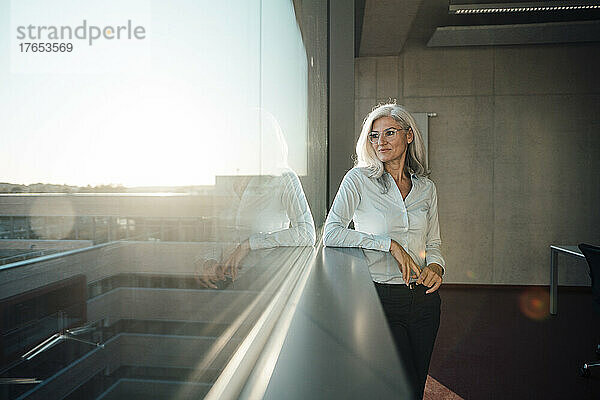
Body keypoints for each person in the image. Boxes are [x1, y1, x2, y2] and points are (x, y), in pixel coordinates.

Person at [323, 103, 445, 399]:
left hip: (424, 301)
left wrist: (436, 268)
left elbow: (434, 244)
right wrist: (388, 245)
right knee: (392, 387)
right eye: (374, 136)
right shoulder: (358, 180)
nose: (381, 142)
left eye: (390, 133)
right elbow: (331, 233)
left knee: (415, 386)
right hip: (380, 299)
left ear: (409, 136)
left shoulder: (426, 188)